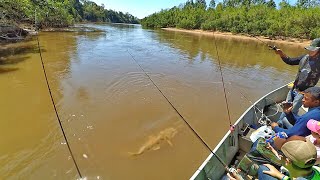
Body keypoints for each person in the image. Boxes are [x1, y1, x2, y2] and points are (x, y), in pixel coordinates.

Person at [276, 38, 320, 128]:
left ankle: (284, 128)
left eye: (313, 50)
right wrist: (281, 54)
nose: (310, 51)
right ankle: (279, 124)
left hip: (304, 93)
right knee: (286, 106)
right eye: (309, 49)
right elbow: (290, 61)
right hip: (294, 88)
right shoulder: (305, 57)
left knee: (292, 111)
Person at [227, 139, 320, 180]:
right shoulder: (317, 170)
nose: (279, 155)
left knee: (263, 169)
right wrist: (281, 176)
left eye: (281, 154)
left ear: (287, 162)